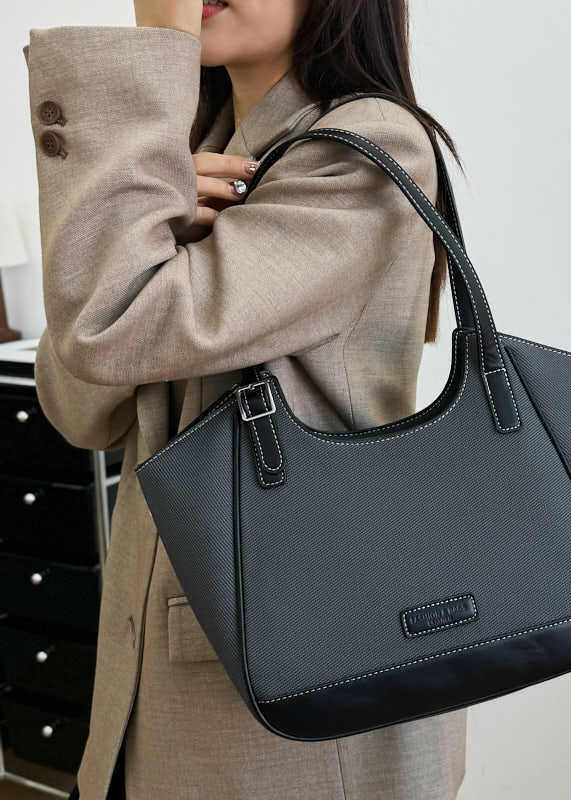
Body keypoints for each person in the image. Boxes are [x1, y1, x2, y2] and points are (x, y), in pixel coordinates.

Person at [22, 0, 468, 797]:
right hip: (150, 674)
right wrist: (144, 202)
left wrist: (159, 55)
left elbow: (110, 332)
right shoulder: (189, 155)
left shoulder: (366, 150)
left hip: (291, 676)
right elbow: (81, 410)